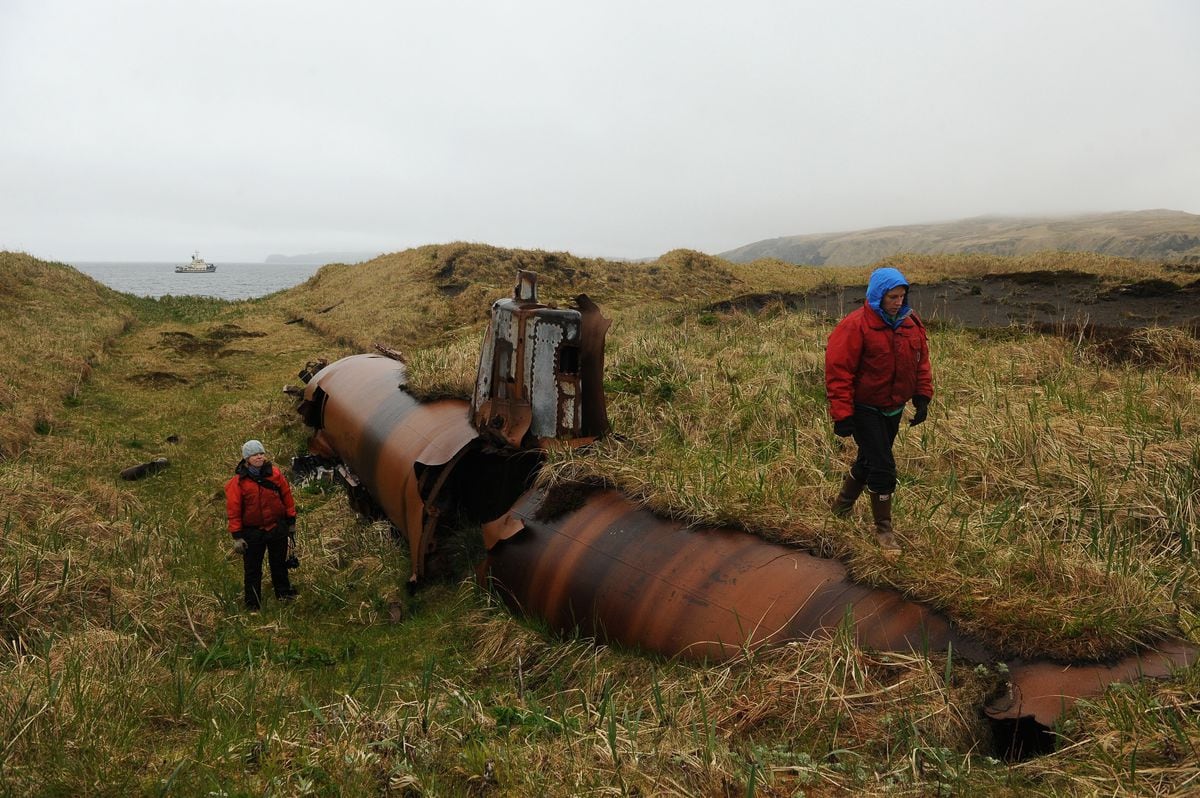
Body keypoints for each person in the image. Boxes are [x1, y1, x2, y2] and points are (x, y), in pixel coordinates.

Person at [824, 266, 933, 553]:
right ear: (877, 297)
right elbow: (839, 371)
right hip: (865, 408)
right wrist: (843, 414)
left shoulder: (911, 323)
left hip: (893, 407)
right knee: (883, 467)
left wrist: (922, 396)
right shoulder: (855, 325)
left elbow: (921, 361)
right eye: (892, 297)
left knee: (868, 461)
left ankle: (839, 510)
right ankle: (884, 532)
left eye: (902, 296)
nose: (898, 302)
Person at [225, 439, 298, 609]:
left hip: (276, 528)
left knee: (279, 563)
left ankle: (284, 593)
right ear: (246, 459)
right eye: (254, 455)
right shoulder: (237, 483)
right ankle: (252, 604)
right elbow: (233, 510)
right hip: (252, 533)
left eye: (261, 454)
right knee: (252, 570)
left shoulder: (275, 474)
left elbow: (287, 497)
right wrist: (237, 536)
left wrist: (291, 521)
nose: (259, 457)